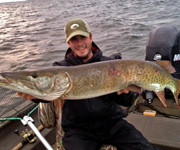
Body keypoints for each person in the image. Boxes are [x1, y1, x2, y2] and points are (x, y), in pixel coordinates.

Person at [18, 18, 161, 150]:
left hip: (111, 123)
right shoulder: (60, 68)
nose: (80, 43)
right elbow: (50, 89)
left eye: (83, 37)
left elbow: (126, 100)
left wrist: (126, 92)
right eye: (74, 39)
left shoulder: (110, 65)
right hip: (78, 130)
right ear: (68, 43)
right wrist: (35, 96)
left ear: (91, 37)